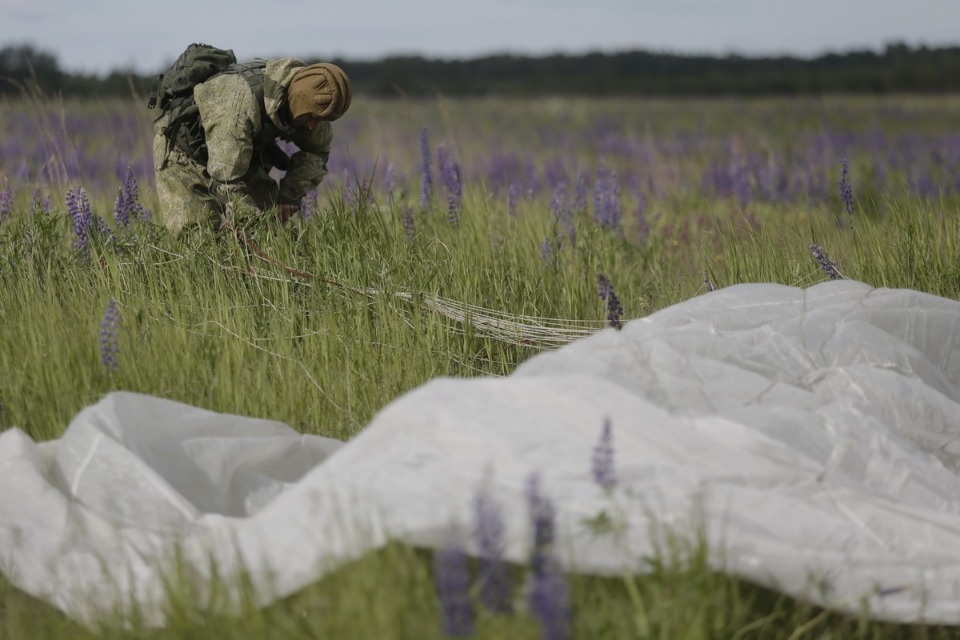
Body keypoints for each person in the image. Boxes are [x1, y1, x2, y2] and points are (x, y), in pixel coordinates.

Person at [152, 57, 351, 235]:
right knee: (200, 240)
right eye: (311, 118)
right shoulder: (239, 103)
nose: (312, 126)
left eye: (321, 120)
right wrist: (249, 222)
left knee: (269, 232)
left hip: (238, 156)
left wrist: (290, 194)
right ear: (298, 99)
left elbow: (318, 152)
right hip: (182, 153)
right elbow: (227, 181)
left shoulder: (312, 106)